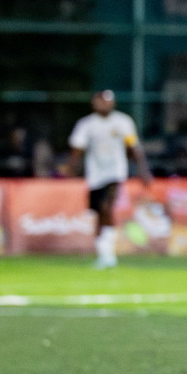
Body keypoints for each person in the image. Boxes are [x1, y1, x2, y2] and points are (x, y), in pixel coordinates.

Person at [66, 90, 151, 269]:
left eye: (108, 101)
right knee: (98, 213)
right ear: (94, 103)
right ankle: (102, 253)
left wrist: (143, 170)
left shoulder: (122, 122)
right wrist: (70, 169)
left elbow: (133, 146)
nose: (104, 105)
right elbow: (77, 149)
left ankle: (109, 254)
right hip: (95, 174)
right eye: (101, 101)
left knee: (107, 207)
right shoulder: (87, 124)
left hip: (115, 172)